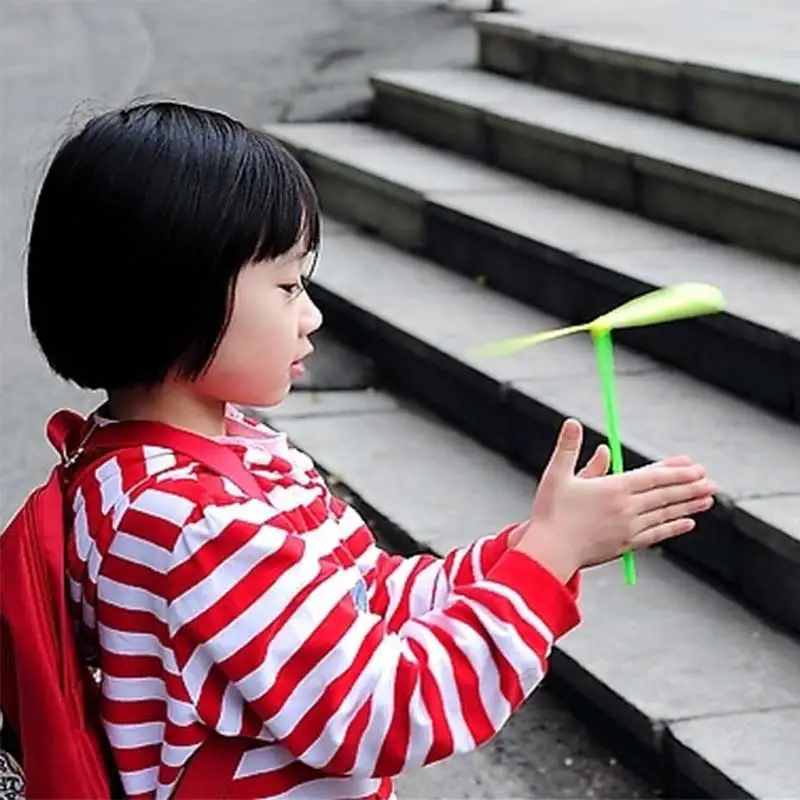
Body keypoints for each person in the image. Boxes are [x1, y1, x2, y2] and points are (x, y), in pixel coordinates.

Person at [24, 101, 715, 799]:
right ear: (176, 297)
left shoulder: (212, 457)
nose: (311, 313)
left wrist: (533, 544)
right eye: (288, 285)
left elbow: (369, 596)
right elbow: (384, 708)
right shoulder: (188, 519)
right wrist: (547, 562)